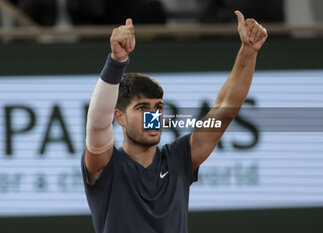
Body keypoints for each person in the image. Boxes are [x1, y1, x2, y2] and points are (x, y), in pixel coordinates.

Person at [81, 10, 267, 233]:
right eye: (142, 108)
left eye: (158, 108)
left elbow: (224, 111)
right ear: (119, 116)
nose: (153, 117)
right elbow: (97, 123)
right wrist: (116, 62)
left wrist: (249, 50)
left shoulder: (179, 158)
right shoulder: (106, 164)